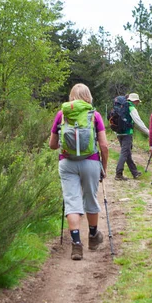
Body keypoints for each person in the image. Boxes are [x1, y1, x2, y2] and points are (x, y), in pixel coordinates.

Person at [49, 83, 109, 261]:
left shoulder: (62, 115)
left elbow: (52, 145)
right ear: (88, 96)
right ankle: (92, 237)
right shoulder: (94, 115)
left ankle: (76, 244)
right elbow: (104, 146)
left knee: (71, 201)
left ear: (71, 97)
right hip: (90, 161)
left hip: (67, 163)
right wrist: (103, 168)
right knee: (90, 197)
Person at [115, 93, 149, 181]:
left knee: (127, 153)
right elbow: (139, 122)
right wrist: (149, 133)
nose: (137, 103)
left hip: (119, 133)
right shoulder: (131, 107)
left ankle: (135, 172)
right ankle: (118, 174)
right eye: (137, 102)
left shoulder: (121, 106)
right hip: (127, 133)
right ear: (135, 101)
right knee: (124, 153)